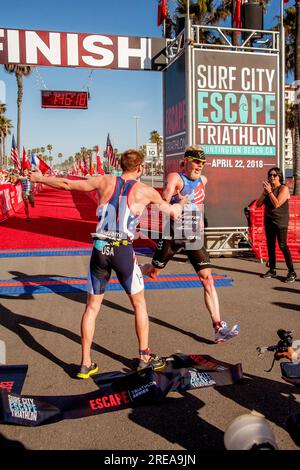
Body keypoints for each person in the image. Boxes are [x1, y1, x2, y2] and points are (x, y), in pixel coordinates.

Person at [30, 149, 186, 378]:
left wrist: (40, 178)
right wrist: (182, 202)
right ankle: (144, 357)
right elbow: (172, 212)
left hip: (100, 248)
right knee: (139, 304)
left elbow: (67, 184)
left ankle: (85, 363)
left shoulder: (104, 180)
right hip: (123, 249)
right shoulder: (145, 191)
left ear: (121, 165)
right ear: (141, 168)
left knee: (91, 308)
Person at [140, 145, 240, 343]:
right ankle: (136, 269)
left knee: (207, 278)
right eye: (196, 161)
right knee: (154, 272)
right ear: (186, 162)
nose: (199, 166)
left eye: (202, 163)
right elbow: (162, 204)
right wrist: (178, 205)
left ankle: (218, 326)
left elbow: (198, 201)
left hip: (193, 234)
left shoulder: (203, 180)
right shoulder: (175, 178)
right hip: (173, 233)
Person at [256, 167, 297, 283]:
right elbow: (258, 204)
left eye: (274, 175)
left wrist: (269, 192)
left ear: (279, 176)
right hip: (269, 221)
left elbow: (277, 204)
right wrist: (264, 193)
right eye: (270, 175)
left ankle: (292, 271)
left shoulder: (283, 188)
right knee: (270, 245)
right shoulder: (268, 189)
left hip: (280, 221)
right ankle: (272, 270)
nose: (272, 177)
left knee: (283, 245)